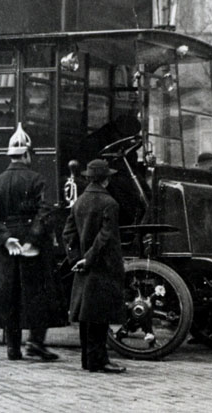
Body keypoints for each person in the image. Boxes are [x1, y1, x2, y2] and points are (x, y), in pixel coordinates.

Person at [0, 124, 66, 361]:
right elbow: (46, 212)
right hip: (33, 247)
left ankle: (13, 348)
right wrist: (32, 240)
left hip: (8, 248)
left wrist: (7, 239)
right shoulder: (38, 180)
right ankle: (36, 343)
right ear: (27, 154)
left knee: (9, 296)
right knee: (38, 296)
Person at [63, 159, 126, 374]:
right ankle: (100, 361)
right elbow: (106, 237)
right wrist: (89, 258)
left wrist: (76, 260)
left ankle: (88, 360)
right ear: (106, 180)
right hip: (103, 266)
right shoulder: (110, 203)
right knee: (100, 316)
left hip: (84, 267)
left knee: (86, 315)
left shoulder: (79, 202)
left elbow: (68, 234)